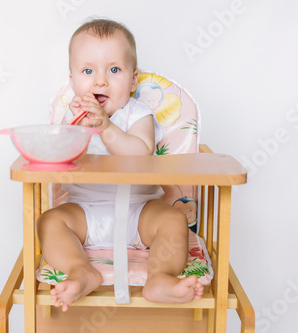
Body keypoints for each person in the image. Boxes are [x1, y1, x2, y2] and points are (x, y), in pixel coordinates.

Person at [37, 18, 203, 311]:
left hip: (139, 214)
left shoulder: (137, 114)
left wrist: (106, 128)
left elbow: (140, 153)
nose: (100, 81)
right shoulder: (72, 117)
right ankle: (81, 271)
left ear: (133, 80)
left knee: (174, 220)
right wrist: (73, 128)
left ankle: (160, 278)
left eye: (114, 70)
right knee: (50, 221)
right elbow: (59, 158)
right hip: (85, 215)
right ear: (73, 80)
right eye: (88, 71)